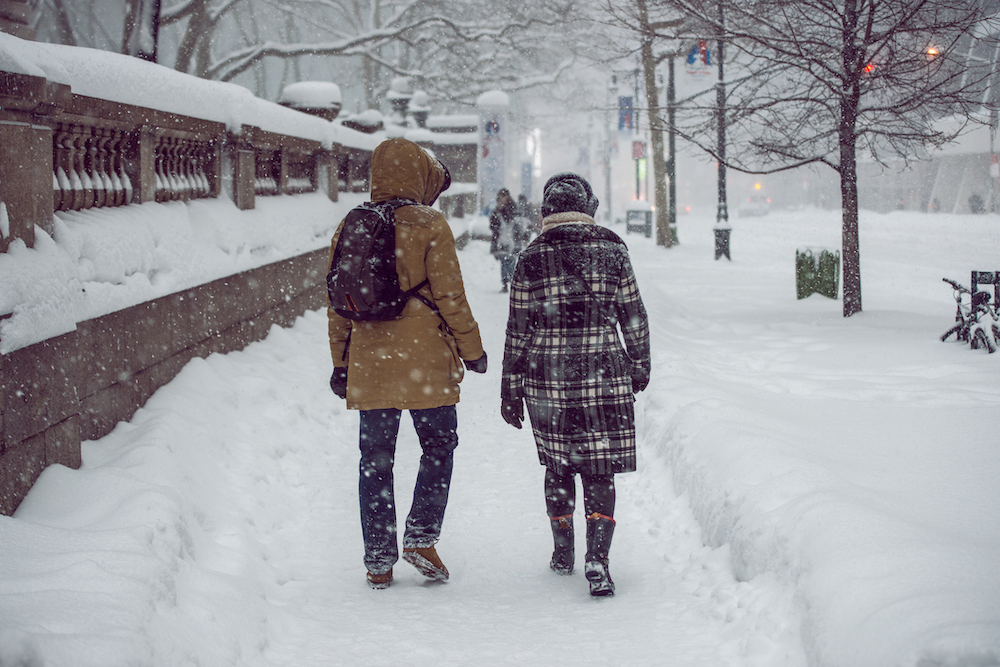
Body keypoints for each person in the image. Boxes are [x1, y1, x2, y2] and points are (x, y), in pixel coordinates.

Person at [328, 138, 487, 590]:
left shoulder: (350, 225)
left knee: (375, 460)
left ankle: (379, 559)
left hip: (370, 360)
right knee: (438, 447)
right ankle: (420, 537)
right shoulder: (430, 224)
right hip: (427, 361)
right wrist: (471, 350)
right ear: (418, 176)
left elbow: (336, 303)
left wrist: (341, 362)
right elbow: (450, 297)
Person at [500, 172, 650, 597]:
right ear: (589, 206)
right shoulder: (613, 249)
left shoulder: (530, 257)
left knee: (559, 465)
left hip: (548, 381)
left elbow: (518, 330)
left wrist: (510, 389)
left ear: (546, 211)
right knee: (599, 467)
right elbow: (633, 314)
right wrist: (639, 364)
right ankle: (598, 559)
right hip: (604, 374)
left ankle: (563, 551)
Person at [489, 188, 528, 292]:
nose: (503, 199)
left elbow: (518, 223)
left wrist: (502, 210)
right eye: (501, 197)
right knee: (503, 261)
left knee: (511, 261)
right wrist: (498, 211)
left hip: (513, 238)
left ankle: (512, 282)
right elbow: (493, 227)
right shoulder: (497, 210)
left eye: (504, 196)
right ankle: (505, 283)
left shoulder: (513, 208)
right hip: (502, 239)